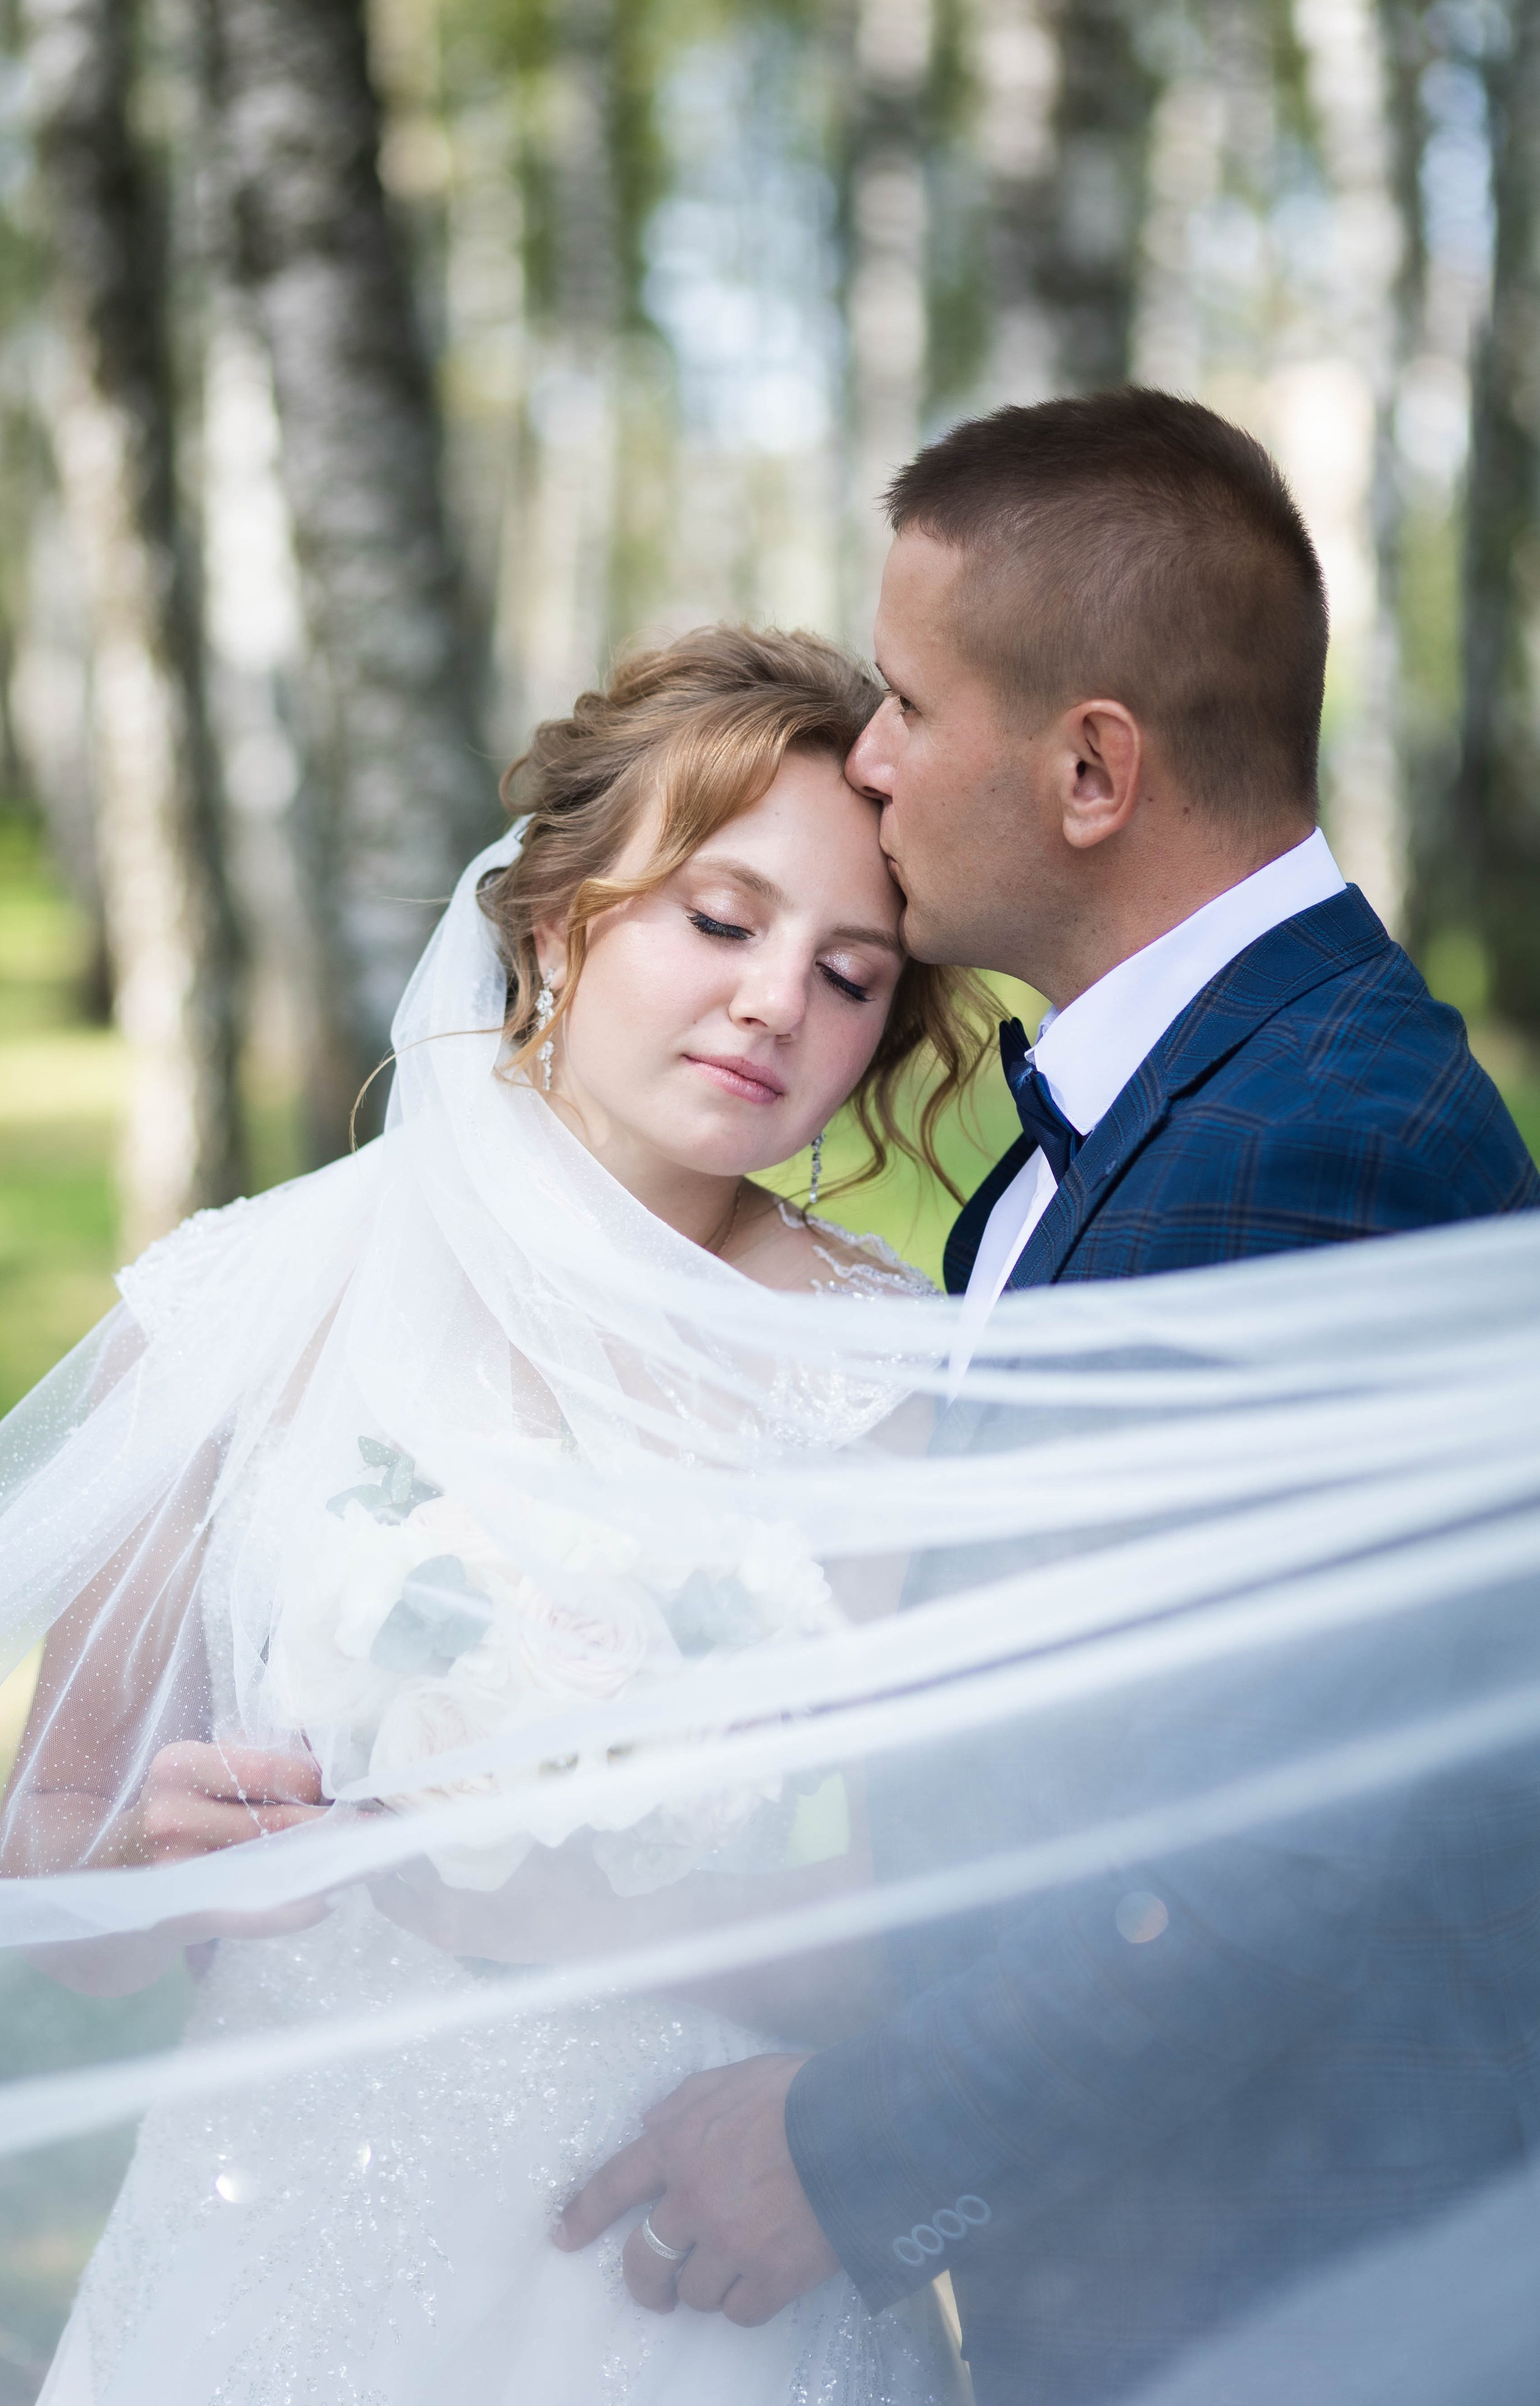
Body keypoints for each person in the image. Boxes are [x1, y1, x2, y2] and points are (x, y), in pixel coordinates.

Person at [557, 392, 1540, 2400]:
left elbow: (1284, 1855)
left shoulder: (1323, 1147)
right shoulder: (1155, 1116)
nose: (872, 756)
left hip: (1294, 2304)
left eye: (910, 701)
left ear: (1094, 766)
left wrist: (848, 2159)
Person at [3, 623, 984, 2406]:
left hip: (681, 2255)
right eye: (721, 917)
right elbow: (49, 1866)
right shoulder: (234, 1313)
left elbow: (930, 1913)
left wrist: (557, 1918)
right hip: (276, 2252)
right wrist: (156, 1866)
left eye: (853, 973)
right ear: (554, 916)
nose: (780, 999)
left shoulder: (881, 1378)